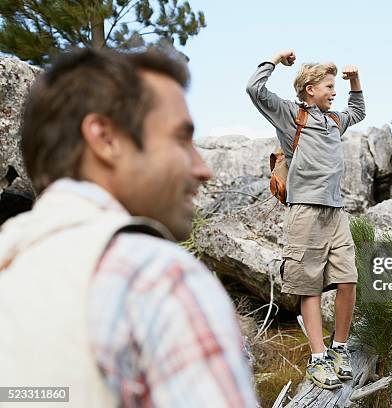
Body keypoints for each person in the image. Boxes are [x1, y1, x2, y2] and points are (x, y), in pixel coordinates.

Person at [0, 48, 258, 407]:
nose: (203, 168)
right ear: (105, 139)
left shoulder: (12, 268)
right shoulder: (159, 278)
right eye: (181, 139)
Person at [246, 50, 365, 389]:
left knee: (348, 279)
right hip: (305, 212)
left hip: (335, 212)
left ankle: (339, 348)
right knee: (308, 285)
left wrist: (354, 80)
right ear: (310, 89)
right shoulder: (291, 115)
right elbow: (254, 89)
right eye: (329, 86)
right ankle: (318, 358)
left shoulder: (334, 121)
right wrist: (273, 60)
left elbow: (358, 110)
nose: (334, 91)